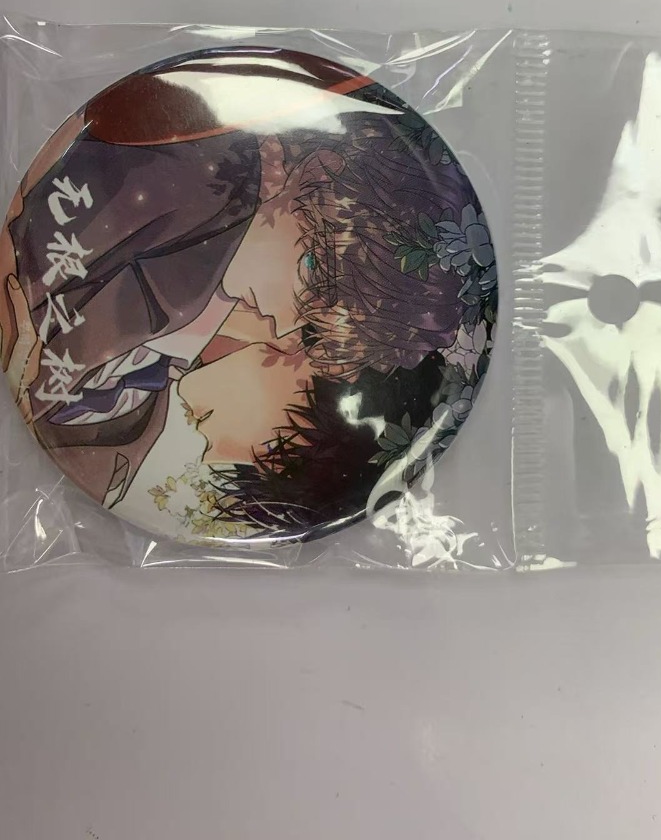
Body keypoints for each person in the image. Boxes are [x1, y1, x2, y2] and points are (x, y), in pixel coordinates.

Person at [1, 49, 487, 539]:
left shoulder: (183, 332)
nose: (284, 326)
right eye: (313, 280)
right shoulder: (192, 180)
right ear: (308, 182)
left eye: (310, 332)